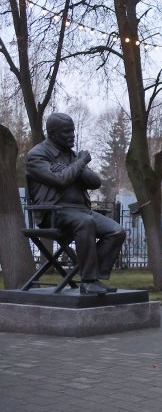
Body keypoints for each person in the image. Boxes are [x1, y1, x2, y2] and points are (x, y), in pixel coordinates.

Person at [25, 113, 126, 295]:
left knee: (117, 231)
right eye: (67, 132)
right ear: (53, 134)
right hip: (53, 213)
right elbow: (61, 180)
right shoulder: (37, 155)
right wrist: (79, 164)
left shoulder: (71, 155)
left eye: (73, 131)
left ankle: (94, 274)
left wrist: (74, 167)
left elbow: (95, 182)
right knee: (85, 223)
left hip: (81, 211)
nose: (72, 135)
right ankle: (88, 282)